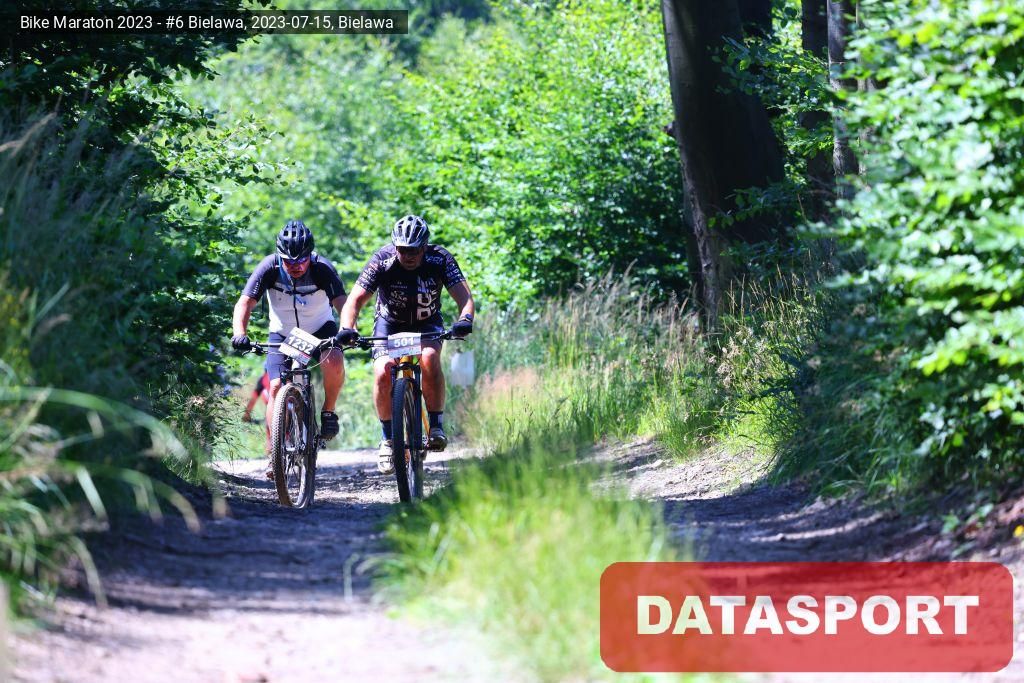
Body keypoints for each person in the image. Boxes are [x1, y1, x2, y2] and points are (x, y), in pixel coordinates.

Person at [337, 214, 474, 474]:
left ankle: (436, 425)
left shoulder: (440, 259)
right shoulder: (382, 260)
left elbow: (464, 298)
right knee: (382, 372)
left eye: (414, 250)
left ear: (425, 247)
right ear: (395, 247)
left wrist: (465, 319)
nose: (408, 256)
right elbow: (354, 300)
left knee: (430, 358)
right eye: (402, 250)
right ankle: (388, 439)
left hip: (426, 323)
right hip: (389, 324)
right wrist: (348, 328)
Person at [231, 220, 347, 475]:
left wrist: (348, 328)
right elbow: (244, 303)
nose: (296, 266)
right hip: (282, 333)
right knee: (274, 387)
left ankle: (328, 412)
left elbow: (342, 302)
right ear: (279, 256)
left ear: (310, 255)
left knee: (334, 361)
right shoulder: (269, 267)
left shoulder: (322, 268)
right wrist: (239, 333)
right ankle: (275, 454)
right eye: (288, 261)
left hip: (320, 329)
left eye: (301, 260)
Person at [242, 371, 271, 440]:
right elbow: (254, 397)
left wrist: (246, 414)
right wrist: (247, 414)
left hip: (271, 412)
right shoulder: (264, 378)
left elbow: (254, 398)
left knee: (271, 439)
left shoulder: (264, 378)